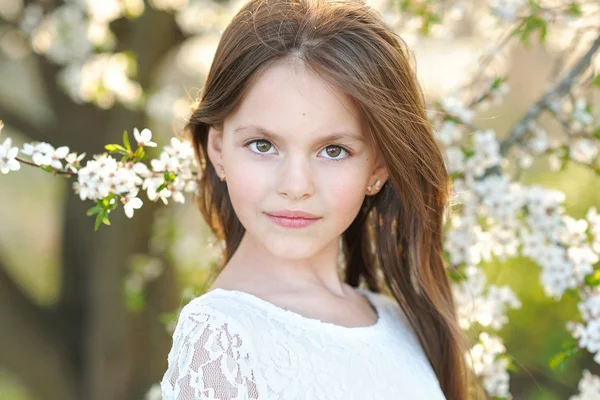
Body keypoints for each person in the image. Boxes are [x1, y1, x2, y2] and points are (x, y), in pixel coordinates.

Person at [160, 0, 479, 398]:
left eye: (333, 151)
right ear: (219, 148)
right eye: (262, 145)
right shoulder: (221, 339)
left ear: (377, 168)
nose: (296, 185)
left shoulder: (400, 322)